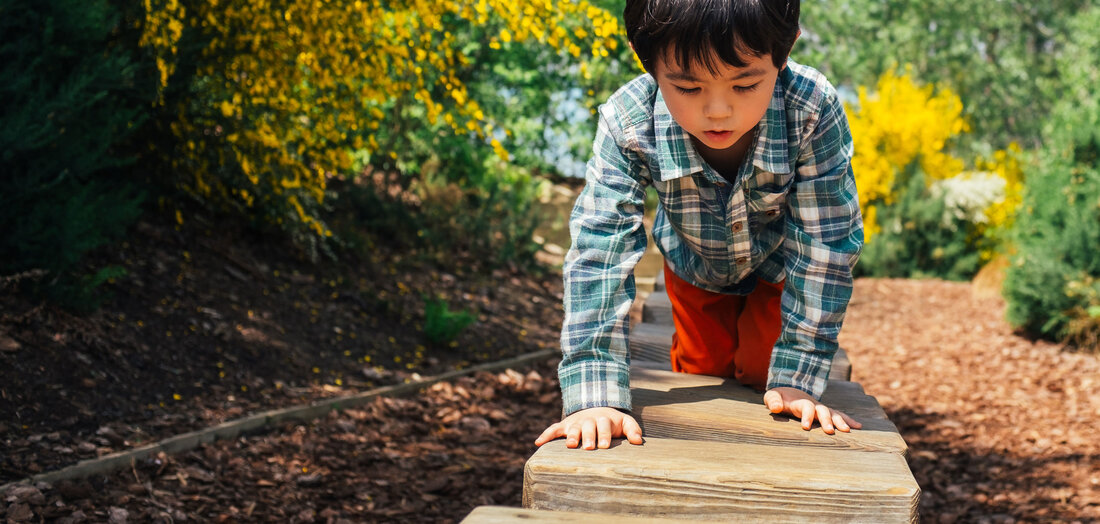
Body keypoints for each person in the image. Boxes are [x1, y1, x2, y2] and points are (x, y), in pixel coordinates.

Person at [535, 0, 864, 451]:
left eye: (745, 84)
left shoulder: (810, 108)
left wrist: (800, 374)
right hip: (694, 262)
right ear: (645, 59)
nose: (718, 111)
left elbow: (828, 242)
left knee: (760, 375)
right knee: (702, 367)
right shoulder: (627, 122)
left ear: (783, 52)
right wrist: (595, 396)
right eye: (688, 88)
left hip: (780, 267)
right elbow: (599, 249)